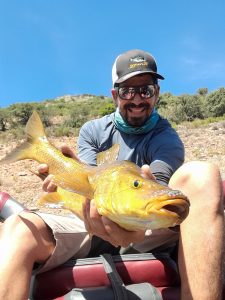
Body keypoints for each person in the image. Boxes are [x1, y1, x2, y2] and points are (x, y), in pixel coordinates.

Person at [0, 49, 224, 300]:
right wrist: (63, 178)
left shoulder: (166, 138)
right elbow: (88, 178)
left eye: (146, 90)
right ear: (115, 95)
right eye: (128, 91)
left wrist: (137, 227)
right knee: (19, 227)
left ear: (157, 93)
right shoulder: (93, 130)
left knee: (202, 174)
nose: (137, 99)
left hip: (147, 225)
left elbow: (156, 190)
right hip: (90, 218)